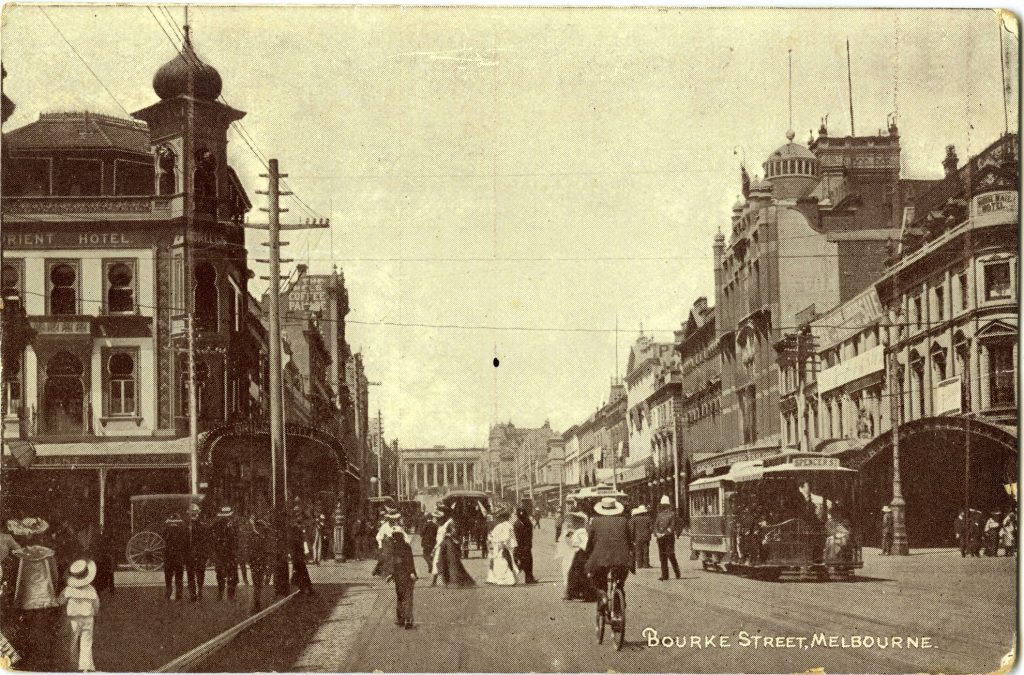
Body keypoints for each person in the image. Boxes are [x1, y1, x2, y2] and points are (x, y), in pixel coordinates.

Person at [584, 498, 633, 607]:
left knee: (597, 577)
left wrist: (588, 552)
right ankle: (619, 590)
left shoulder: (595, 521)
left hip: (601, 557)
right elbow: (630, 539)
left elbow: (590, 541)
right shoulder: (624, 520)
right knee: (620, 579)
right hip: (622, 557)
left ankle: (602, 595)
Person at [58, 559, 99, 672]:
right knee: (86, 641)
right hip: (88, 618)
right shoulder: (91, 589)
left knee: (73, 640)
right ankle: (85, 666)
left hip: (73, 618)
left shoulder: (68, 589)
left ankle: (73, 664)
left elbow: (60, 601)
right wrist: (95, 613)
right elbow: (96, 604)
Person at [384, 525, 417, 629]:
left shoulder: (394, 548)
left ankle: (402, 619)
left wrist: (391, 574)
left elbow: (394, 563)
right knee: (407, 597)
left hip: (400, 575)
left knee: (401, 597)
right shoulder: (405, 546)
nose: (395, 538)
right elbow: (409, 560)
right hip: (405, 575)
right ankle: (407, 619)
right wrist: (412, 572)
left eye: (396, 536)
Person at [432, 508, 475, 587]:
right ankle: (444, 580)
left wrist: (448, 535)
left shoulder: (449, 522)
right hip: (443, 545)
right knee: (444, 563)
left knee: (450, 563)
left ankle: (453, 581)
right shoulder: (444, 523)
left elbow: (454, 533)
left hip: (448, 545)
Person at [559, 512, 595, 601]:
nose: (573, 523)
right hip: (575, 554)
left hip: (580, 554)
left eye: (576, 521)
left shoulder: (581, 531)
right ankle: (575, 593)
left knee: (576, 574)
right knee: (574, 574)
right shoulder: (577, 531)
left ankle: (575, 593)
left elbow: (585, 544)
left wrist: (579, 547)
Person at [211, 506, 240, 600]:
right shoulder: (233, 524)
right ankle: (230, 595)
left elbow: (212, 537)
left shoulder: (216, 524)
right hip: (229, 553)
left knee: (221, 574)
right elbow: (236, 539)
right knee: (231, 575)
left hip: (221, 553)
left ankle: (221, 594)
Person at [246, 516, 273, 613]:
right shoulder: (260, 537)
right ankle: (257, 599)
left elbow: (249, 550)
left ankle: (257, 598)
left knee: (257, 581)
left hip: (257, 562)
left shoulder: (254, 536)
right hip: (258, 562)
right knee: (257, 581)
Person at [161, 512, 189, 601]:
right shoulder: (183, 529)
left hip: (169, 556)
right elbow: (186, 543)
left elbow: (163, 538)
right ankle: (179, 595)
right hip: (179, 556)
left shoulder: (167, 529)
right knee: (179, 577)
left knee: (168, 577)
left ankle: (168, 592)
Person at [486, 507, 518, 586]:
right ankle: (499, 578)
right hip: (505, 545)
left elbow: (505, 537)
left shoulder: (504, 526)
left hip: (503, 546)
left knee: (502, 562)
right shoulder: (506, 525)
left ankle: (508, 579)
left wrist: (501, 544)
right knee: (504, 561)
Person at [653, 495, 680, 580]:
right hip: (660, 538)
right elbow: (655, 526)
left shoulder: (672, 514)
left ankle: (677, 572)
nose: (663, 507)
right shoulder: (659, 515)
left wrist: (663, 533)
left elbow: (672, 526)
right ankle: (664, 575)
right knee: (662, 557)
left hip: (668, 538)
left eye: (665, 505)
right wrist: (656, 533)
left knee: (670, 555)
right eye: (663, 505)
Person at [289, 507, 315, 595]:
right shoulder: (296, 527)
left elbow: (300, 540)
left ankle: (304, 587)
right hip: (297, 551)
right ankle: (304, 587)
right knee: (301, 569)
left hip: (298, 551)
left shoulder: (296, 527)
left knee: (300, 569)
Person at [186, 504, 208, 602]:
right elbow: (206, 542)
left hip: (190, 554)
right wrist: (207, 555)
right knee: (200, 573)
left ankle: (193, 595)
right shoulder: (203, 526)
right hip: (200, 554)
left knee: (191, 575)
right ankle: (199, 591)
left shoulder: (186, 528)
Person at [513, 506, 537, 584]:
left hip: (526, 546)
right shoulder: (517, 524)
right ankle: (511, 576)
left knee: (528, 562)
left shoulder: (526, 523)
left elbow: (530, 535)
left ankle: (529, 578)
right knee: (522, 562)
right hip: (520, 546)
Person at [631, 505, 652, 569]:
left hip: (637, 537)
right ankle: (646, 564)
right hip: (646, 537)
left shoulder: (634, 519)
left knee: (638, 551)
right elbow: (651, 528)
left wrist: (632, 538)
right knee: (646, 551)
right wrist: (649, 533)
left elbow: (632, 529)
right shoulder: (648, 518)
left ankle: (639, 565)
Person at [420, 511, 440, 579]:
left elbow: (422, 534)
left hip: (426, 543)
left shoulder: (426, 524)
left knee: (425, 555)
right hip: (433, 542)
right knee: (432, 555)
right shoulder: (435, 525)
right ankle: (431, 566)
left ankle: (430, 565)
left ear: (427, 518)